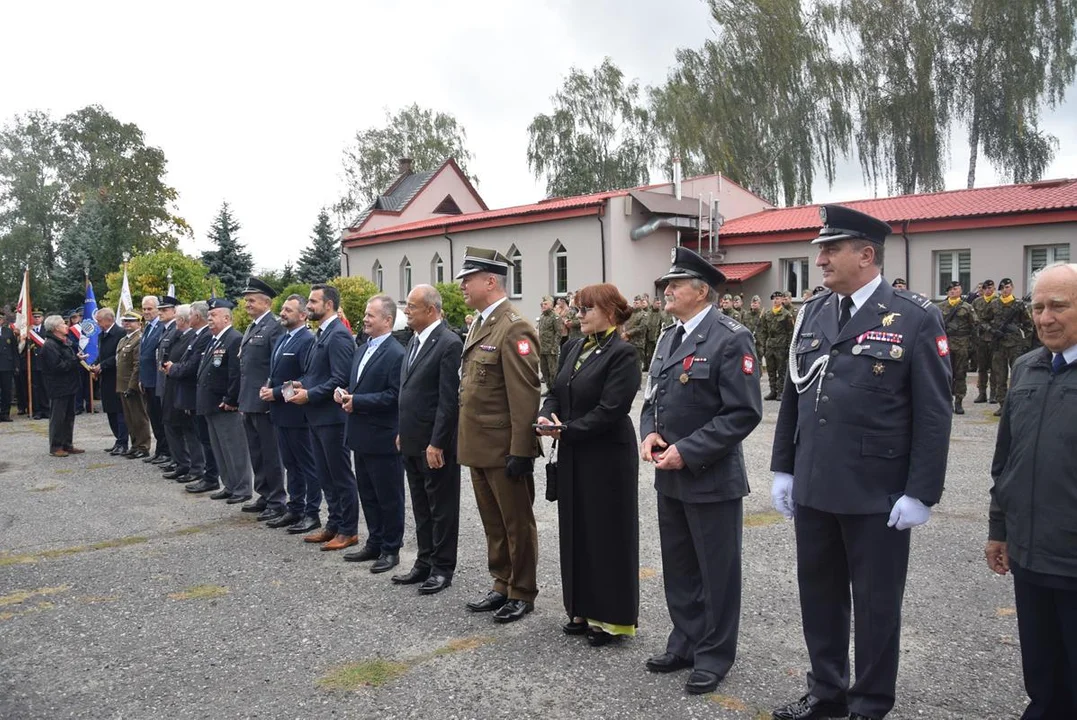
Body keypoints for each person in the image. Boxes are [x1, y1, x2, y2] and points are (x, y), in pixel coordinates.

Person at [770, 204, 952, 720]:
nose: (820, 259)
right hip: (815, 485)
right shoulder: (814, 312)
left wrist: (921, 492)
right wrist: (784, 466)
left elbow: (934, 415)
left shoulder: (915, 317)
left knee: (875, 606)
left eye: (831, 249)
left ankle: (869, 703)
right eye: (820, 250)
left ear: (866, 255)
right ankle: (827, 692)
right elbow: (795, 395)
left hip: (878, 491)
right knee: (819, 598)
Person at [639, 247, 763, 695]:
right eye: (667, 284)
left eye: (676, 284)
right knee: (680, 567)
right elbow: (653, 397)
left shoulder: (731, 338)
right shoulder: (669, 336)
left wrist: (687, 451)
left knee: (717, 572)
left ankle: (714, 655)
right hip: (668, 474)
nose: (667, 290)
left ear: (702, 291)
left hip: (709, 476)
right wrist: (650, 433)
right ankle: (685, 641)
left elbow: (743, 413)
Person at [986, 262, 1077, 720]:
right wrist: (999, 529)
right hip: (1028, 552)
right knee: (1041, 669)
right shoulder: (1025, 368)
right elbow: (1006, 461)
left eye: (1058, 306)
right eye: (1038, 307)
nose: (1045, 318)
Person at [537, 283, 640, 647]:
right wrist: (547, 414)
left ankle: (610, 618)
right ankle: (579, 607)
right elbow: (555, 389)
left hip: (606, 454)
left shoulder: (623, 353)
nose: (578, 316)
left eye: (586, 310)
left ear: (609, 312)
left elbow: (612, 409)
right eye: (577, 310)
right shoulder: (573, 346)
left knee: (605, 534)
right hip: (574, 450)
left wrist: (567, 430)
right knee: (575, 528)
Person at [457, 247, 542, 623]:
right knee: (493, 522)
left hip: (504, 447)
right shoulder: (479, 323)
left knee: (515, 524)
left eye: (468, 279)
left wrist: (521, 450)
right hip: (479, 445)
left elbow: (524, 395)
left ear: (490, 281)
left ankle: (522, 590)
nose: (462, 286)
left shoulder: (514, 326)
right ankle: (501, 583)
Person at [393, 284, 462, 595]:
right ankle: (424, 560)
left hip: (435, 445)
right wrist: (402, 431)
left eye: (412, 306)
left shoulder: (448, 343)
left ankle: (442, 567)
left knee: (441, 507)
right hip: (412, 439)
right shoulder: (414, 341)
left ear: (431, 310)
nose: (406, 311)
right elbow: (409, 393)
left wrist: (437, 442)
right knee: (421, 505)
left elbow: (448, 401)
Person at [288, 284, 358, 551]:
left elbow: (340, 380)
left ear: (328, 304)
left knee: (340, 475)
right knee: (325, 475)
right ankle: (334, 524)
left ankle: (349, 530)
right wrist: (300, 384)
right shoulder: (321, 334)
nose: (309, 306)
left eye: (313, 301)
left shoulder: (339, 335)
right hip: (317, 416)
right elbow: (318, 374)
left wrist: (311, 394)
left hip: (332, 418)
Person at [340, 294, 405, 570]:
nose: (365, 319)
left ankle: (391, 549)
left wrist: (359, 401)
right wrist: (343, 394)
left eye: (371, 315)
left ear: (387, 320)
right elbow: (357, 385)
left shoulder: (395, 353)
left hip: (383, 436)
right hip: (361, 434)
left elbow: (394, 396)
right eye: (365, 314)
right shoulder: (362, 348)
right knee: (367, 493)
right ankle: (374, 542)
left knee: (388, 496)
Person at [259, 294, 322, 533]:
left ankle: (311, 512)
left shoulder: (307, 340)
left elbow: (307, 379)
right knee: (291, 464)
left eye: (288, 310)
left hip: (297, 414)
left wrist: (276, 393)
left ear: (303, 315)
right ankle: (295, 508)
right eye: (282, 309)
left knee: (308, 466)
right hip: (280, 414)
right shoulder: (284, 339)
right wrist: (268, 387)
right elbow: (276, 371)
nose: (282, 313)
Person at [237, 278, 287, 521]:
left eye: (251, 300)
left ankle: (277, 500)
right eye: (246, 300)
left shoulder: (274, 326)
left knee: (270, 453)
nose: (247, 304)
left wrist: (271, 393)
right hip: (249, 399)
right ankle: (264, 494)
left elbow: (277, 365)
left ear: (266, 302)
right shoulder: (252, 327)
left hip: (265, 401)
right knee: (256, 452)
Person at [197, 298, 253, 505]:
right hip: (211, 404)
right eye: (208, 315)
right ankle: (229, 485)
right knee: (220, 448)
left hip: (225, 405)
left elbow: (235, 373)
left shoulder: (233, 338)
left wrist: (230, 399)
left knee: (234, 448)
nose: (209, 318)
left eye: (213, 315)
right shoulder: (215, 339)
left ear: (227, 317)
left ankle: (242, 488)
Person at [168, 301, 219, 494]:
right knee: (200, 436)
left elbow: (192, 366)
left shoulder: (205, 336)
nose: (188, 318)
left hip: (197, 393)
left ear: (196, 316)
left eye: (190, 314)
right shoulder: (198, 336)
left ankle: (208, 475)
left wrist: (173, 368)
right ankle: (208, 475)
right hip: (191, 393)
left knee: (203, 438)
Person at [161, 305, 202, 484]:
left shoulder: (194, 337)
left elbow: (190, 365)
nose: (175, 321)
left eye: (177, 318)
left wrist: (173, 368)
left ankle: (195, 467)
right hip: (172, 386)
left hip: (184, 388)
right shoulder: (179, 336)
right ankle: (181, 464)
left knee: (189, 431)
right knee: (172, 425)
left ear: (183, 320)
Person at [983, 277, 1035, 417]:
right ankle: (1002, 404)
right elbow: (983, 321)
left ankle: (1017, 403)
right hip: (999, 345)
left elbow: (1028, 325)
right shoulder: (994, 304)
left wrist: (1026, 344)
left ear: (1012, 287)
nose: (1005, 290)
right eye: (1003, 288)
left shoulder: (1019, 305)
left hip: (1015, 344)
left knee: (1017, 375)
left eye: (1007, 287)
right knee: (1000, 375)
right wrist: (992, 331)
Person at [39, 314, 85, 456]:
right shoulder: (50, 345)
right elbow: (57, 366)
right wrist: (74, 360)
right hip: (58, 386)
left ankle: (67, 444)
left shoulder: (64, 342)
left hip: (70, 385)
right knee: (58, 417)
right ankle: (56, 446)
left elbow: (68, 360)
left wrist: (75, 359)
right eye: (63, 324)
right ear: (55, 328)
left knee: (69, 416)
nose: (67, 326)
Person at [935, 281, 977, 415]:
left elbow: (974, 325)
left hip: (962, 344)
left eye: (956, 289)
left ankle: (958, 401)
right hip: (945, 344)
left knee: (960, 373)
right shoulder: (939, 307)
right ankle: (946, 401)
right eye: (950, 290)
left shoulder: (966, 307)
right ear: (947, 292)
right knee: (945, 374)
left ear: (960, 290)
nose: (953, 291)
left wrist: (972, 346)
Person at [138, 295, 170, 464]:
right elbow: (143, 356)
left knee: (161, 417)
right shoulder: (148, 328)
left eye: (150, 309)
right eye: (144, 309)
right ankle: (160, 449)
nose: (146, 312)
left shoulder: (161, 328)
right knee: (154, 417)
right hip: (147, 380)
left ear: (158, 309)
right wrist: (141, 379)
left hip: (157, 380)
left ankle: (166, 450)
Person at [91, 308, 127, 453]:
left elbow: (118, 356)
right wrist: (95, 363)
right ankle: (117, 440)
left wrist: (103, 365)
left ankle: (123, 442)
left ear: (108, 320)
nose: (98, 324)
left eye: (99, 321)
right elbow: (102, 353)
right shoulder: (102, 335)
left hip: (117, 377)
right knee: (110, 410)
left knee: (119, 411)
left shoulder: (120, 333)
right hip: (105, 377)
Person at [116, 312, 151, 459]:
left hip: (133, 385)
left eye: (131, 321)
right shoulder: (123, 340)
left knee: (139, 417)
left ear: (139, 323)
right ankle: (135, 444)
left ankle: (143, 446)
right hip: (122, 384)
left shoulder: (139, 339)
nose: (127, 324)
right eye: (125, 321)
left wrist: (132, 386)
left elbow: (137, 365)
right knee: (129, 418)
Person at [757, 291, 795, 400]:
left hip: (781, 346)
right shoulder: (767, 314)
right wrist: (763, 345)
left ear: (782, 300)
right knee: (771, 370)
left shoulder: (786, 314)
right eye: (774, 299)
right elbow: (763, 331)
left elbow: (790, 332)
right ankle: (773, 391)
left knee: (781, 370)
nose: (776, 300)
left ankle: (780, 392)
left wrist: (789, 347)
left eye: (778, 298)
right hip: (770, 346)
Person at [972, 279, 998, 403]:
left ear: (994, 289)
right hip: (981, 338)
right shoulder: (977, 302)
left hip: (994, 338)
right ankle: (982, 393)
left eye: (990, 288)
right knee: (981, 368)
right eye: (986, 288)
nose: (988, 290)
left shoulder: (998, 301)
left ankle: (994, 393)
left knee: (994, 367)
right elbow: (973, 319)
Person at [536, 295, 560, 387]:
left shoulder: (555, 317)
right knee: (543, 370)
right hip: (542, 349)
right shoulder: (542, 316)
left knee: (553, 371)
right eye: (542, 304)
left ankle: (554, 390)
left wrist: (554, 347)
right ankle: (549, 388)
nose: (543, 305)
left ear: (551, 305)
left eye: (545, 304)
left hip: (551, 349)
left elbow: (558, 333)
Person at [0, 315, 17, 422]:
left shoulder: (8, 331)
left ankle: (5, 413)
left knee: (6, 390)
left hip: (6, 365)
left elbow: (14, 349)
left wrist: (16, 364)